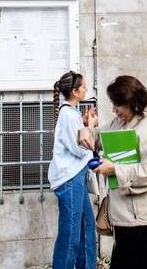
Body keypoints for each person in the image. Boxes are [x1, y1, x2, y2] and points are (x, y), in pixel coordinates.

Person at [79, 75, 147, 269]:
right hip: (129, 218)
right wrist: (85, 131)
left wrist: (114, 169)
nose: (114, 110)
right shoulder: (120, 123)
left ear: (133, 103)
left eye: (118, 105)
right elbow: (99, 136)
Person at [48, 70, 97, 269]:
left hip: (75, 178)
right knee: (71, 236)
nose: (86, 90)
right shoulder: (69, 115)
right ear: (75, 91)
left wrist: (84, 125)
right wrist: (90, 127)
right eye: (84, 87)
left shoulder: (71, 113)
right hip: (70, 180)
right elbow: (80, 149)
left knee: (86, 228)